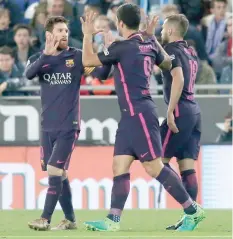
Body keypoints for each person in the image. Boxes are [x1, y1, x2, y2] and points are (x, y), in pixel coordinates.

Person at [81, 3, 205, 232]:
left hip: (139, 113)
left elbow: (88, 61)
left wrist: (88, 35)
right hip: (131, 115)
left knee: (154, 167)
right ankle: (112, 220)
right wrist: (153, 39)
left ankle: (192, 209)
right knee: (120, 164)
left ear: (119, 23)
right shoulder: (144, 44)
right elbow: (169, 63)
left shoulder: (123, 46)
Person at [25, 15, 110, 231]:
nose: (64, 34)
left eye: (66, 30)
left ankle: (45, 219)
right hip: (47, 127)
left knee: (54, 169)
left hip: (68, 125)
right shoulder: (40, 58)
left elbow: (102, 73)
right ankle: (71, 220)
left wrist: (104, 51)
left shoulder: (77, 56)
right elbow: (28, 74)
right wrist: (47, 54)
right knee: (59, 174)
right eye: (60, 30)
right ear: (49, 35)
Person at [159, 14, 204, 230]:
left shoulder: (173, 51)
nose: (160, 31)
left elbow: (179, 79)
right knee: (187, 166)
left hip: (179, 110)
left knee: (157, 162)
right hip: (194, 111)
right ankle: (189, 220)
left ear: (170, 30)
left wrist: (169, 111)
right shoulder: (191, 51)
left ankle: (191, 210)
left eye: (163, 28)